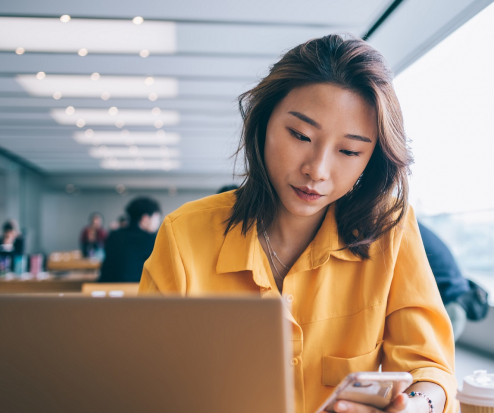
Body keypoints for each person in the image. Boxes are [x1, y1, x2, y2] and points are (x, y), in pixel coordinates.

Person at [140, 35, 457, 413]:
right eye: (300, 135)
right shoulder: (184, 235)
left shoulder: (388, 229)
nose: (317, 170)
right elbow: (147, 383)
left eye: (349, 151)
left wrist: (417, 406)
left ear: (370, 159)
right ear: (264, 122)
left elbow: (430, 368)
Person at [418, 223, 470, 341]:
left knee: (428, 357)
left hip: (450, 308)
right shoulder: (412, 223)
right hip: (453, 304)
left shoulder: (402, 224)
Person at [99, 197, 161, 283]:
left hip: (106, 289)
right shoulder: (152, 240)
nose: (158, 222)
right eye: (156, 218)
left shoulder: (114, 235)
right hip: (136, 291)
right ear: (145, 218)